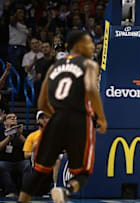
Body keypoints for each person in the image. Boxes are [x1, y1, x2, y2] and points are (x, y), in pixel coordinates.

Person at [18, 31, 107, 203]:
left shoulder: (54, 67)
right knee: (83, 173)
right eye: (88, 43)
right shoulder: (89, 64)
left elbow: (42, 103)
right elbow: (91, 89)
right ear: (77, 46)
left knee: (39, 171)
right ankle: (65, 191)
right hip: (80, 120)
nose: (91, 46)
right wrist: (101, 117)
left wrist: (57, 116)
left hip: (56, 119)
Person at [0, 113, 29, 197]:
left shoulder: (21, 131)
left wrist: (19, 135)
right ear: (4, 122)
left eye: (15, 118)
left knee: (27, 164)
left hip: (20, 161)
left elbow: (28, 145)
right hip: (5, 161)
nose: (13, 119)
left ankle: (25, 192)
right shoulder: (1, 132)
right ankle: (11, 192)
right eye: (10, 118)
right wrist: (8, 138)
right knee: (1, 165)